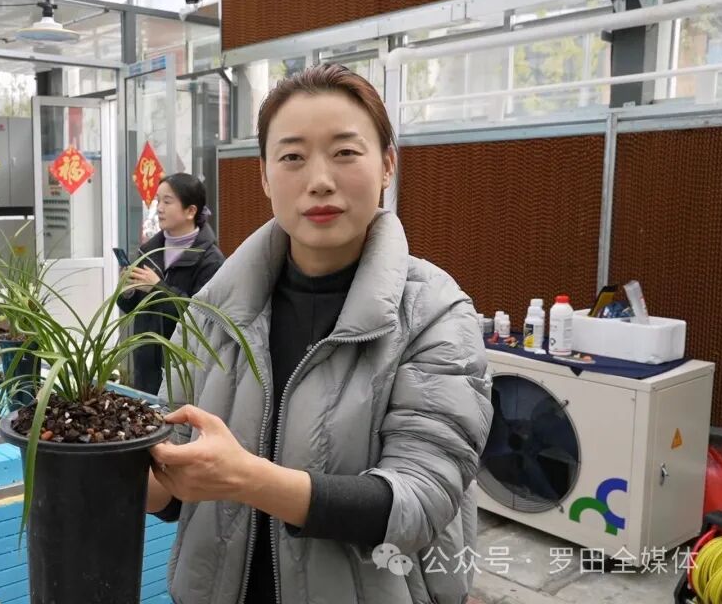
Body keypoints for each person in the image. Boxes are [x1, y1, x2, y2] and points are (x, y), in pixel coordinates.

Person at [145, 64, 493, 604]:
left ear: (387, 165)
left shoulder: (435, 313)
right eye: (292, 157)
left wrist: (248, 479)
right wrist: (100, 459)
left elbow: (421, 499)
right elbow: (172, 484)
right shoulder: (212, 311)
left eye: (345, 152)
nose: (320, 180)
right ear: (265, 177)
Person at [117, 172, 225, 396]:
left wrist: (158, 289)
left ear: (190, 211)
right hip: (145, 367)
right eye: (158, 201)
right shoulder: (149, 251)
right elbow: (133, 308)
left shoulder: (210, 259)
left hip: (183, 369)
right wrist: (127, 291)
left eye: (167, 201)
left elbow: (202, 318)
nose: (159, 208)